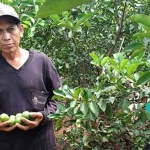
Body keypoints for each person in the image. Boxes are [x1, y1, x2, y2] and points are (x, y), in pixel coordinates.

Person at [0, 2, 61, 150]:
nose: (6, 37)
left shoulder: (41, 61)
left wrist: (44, 116)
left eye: (11, 29)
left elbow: (61, 99)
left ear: (21, 30)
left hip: (42, 144)